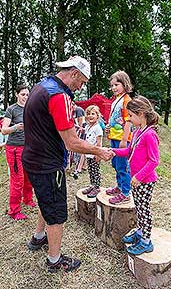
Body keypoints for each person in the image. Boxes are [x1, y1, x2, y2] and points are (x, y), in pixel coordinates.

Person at [22, 55, 113, 273]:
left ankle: (38, 238)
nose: (81, 87)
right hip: (48, 164)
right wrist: (98, 150)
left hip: (33, 158)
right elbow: (71, 143)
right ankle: (54, 260)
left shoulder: (42, 85)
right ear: (73, 73)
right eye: (81, 82)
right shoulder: (59, 95)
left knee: (46, 201)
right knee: (56, 212)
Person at [112, 95, 160, 255]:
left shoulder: (149, 134)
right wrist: (113, 151)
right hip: (137, 181)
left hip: (145, 181)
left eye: (131, 116)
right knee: (139, 208)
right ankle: (140, 232)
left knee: (144, 209)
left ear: (141, 114)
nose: (129, 119)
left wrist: (139, 177)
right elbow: (129, 151)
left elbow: (154, 161)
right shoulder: (139, 131)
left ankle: (146, 241)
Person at [1, 85, 36, 221]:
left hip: (29, 148)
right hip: (14, 149)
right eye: (23, 94)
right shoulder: (12, 109)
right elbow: (4, 130)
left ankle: (27, 199)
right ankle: (14, 210)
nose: (25, 97)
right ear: (17, 95)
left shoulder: (30, 109)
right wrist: (16, 127)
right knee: (17, 180)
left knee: (29, 176)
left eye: (27, 94)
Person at [105, 70, 132, 205]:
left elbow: (128, 121)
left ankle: (126, 192)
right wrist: (109, 127)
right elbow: (116, 119)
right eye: (112, 85)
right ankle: (120, 187)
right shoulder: (116, 100)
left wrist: (124, 140)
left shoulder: (126, 100)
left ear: (125, 84)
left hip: (122, 139)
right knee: (116, 164)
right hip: (114, 137)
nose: (114, 88)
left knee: (123, 166)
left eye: (117, 84)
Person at [82, 105, 103, 198]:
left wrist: (98, 153)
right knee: (90, 170)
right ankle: (92, 185)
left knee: (95, 171)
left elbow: (99, 142)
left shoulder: (97, 128)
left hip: (95, 154)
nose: (90, 116)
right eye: (88, 114)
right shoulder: (87, 126)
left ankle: (97, 187)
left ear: (97, 116)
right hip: (88, 154)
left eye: (93, 114)